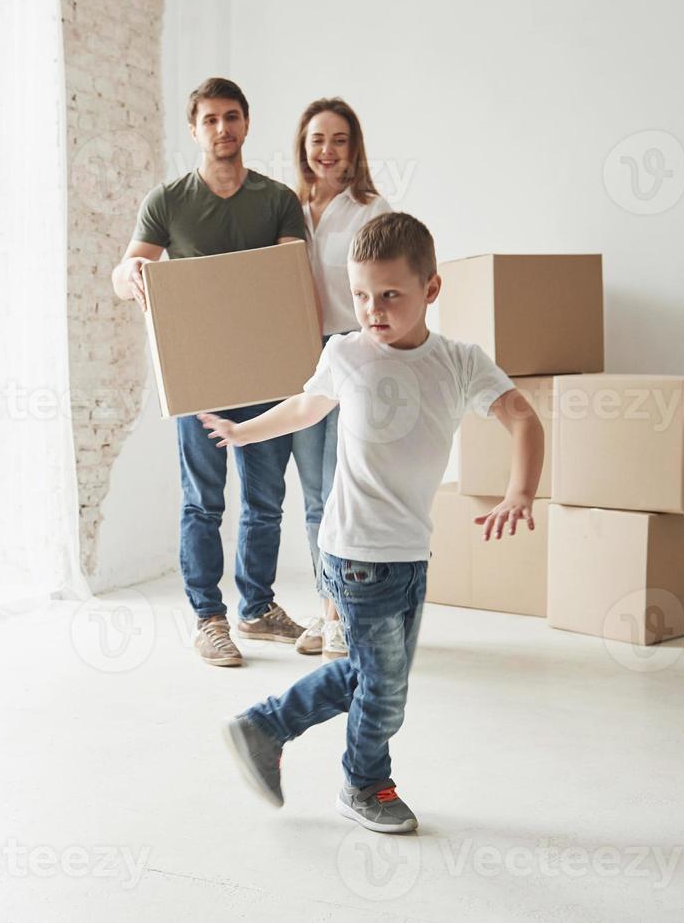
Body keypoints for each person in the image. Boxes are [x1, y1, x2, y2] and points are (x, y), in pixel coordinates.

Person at [203, 212, 544, 832]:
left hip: (411, 549)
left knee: (376, 673)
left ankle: (264, 726)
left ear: (431, 291)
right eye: (361, 295)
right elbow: (308, 406)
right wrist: (245, 430)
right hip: (356, 550)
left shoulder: (460, 362)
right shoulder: (347, 353)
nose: (373, 309)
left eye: (391, 295)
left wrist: (521, 491)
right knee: (384, 689)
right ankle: (365, 785)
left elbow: (523, 417)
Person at [111, 77, 311, 668]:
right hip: (198, 378)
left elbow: (286, 281)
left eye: (232, 117)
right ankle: (208, 618)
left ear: (246, 123)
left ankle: (257, 608)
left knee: (266, 500)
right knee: (204, 502)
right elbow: (126, 273)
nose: (222, 129)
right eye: (211, 120)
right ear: (194, 130)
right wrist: (133, 277)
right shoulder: (168, 201)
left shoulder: (277, 200)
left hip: (269, 375)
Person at [288, 98, 392, 662]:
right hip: (303, 359)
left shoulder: (371, 209)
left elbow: (388, 283)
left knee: (341, 491)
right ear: (303, 148)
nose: (327, 151)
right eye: (317, 140)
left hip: (355, 355)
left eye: (339, 140)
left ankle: (341, 614)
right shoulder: (289, 210)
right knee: (311, 496)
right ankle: (327, 606)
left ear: (354, 149)